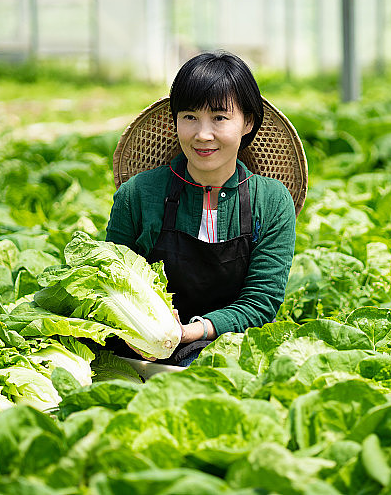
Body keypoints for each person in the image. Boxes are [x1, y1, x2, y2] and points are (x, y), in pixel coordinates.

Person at [105, 50, 307, 366]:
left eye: (219, 118)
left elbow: (260, 302)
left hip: (230, 352)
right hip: (138, 349)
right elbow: (112, 283)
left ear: (247, 123)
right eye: (189, 117)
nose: (203, 134)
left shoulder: (270, 201)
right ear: (174, 122)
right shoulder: (138, 195)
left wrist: (188, 332)